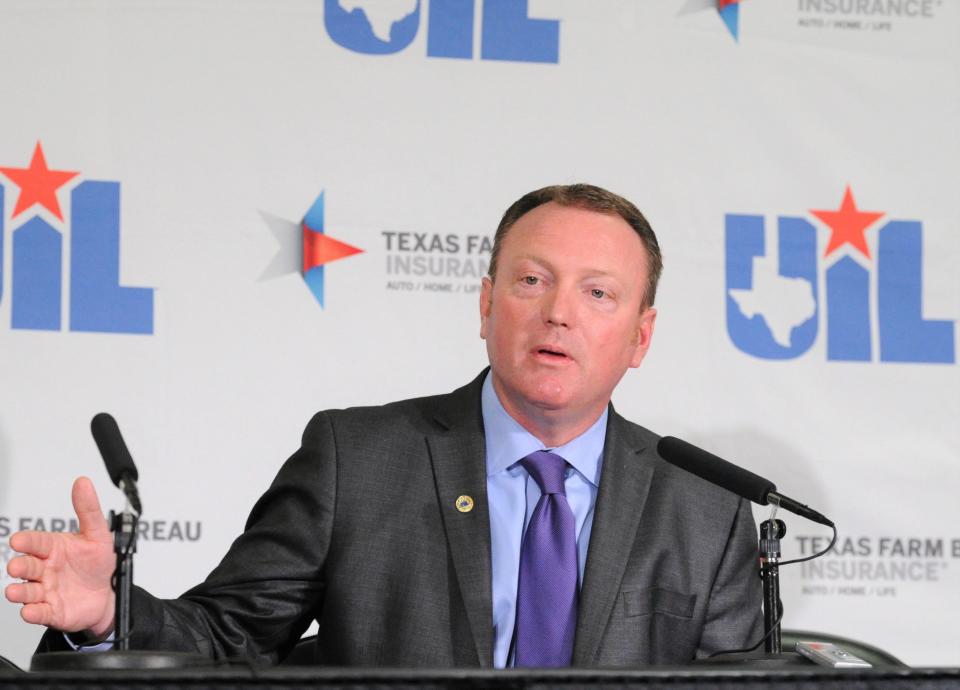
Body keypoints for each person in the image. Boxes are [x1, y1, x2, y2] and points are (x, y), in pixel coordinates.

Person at [5, 184, 761, 667]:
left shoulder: (705, 509)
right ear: (486, 303)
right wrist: (109, 614)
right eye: (531, 281)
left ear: (641, 336)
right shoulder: (356, 461)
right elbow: (227, 641)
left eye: (598, 293)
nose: (558, 311)